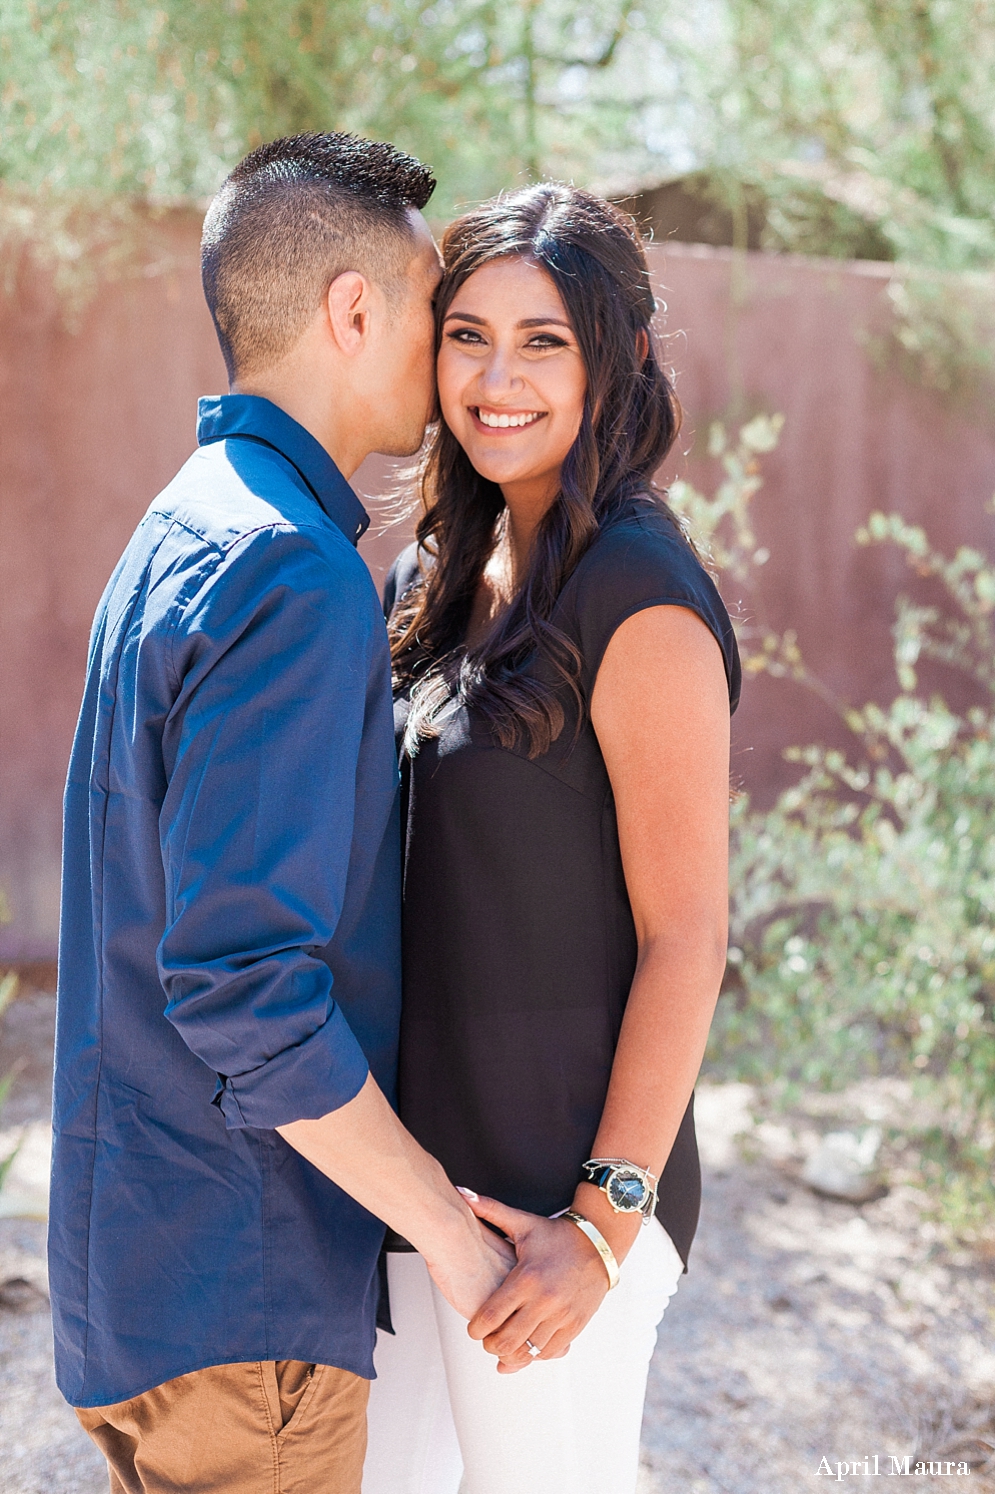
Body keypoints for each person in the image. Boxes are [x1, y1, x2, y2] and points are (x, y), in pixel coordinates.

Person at [50, 131, 513, 1494]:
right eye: (438, 311)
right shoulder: (292, 574)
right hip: (243, 1308)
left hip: (140, 1281)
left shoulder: (180, 528)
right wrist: (454, 1232)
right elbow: (246, 986)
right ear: (353, 311)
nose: (452, 357)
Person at [364, 184, 741, 1494]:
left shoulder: (642, 597)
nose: (496, 376)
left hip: (553, 1210)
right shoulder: (440, 574)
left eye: (544, 341)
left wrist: (600, 1223)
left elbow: (688, 938)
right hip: (423, 1190)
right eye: (469, 335)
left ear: (619, 356)